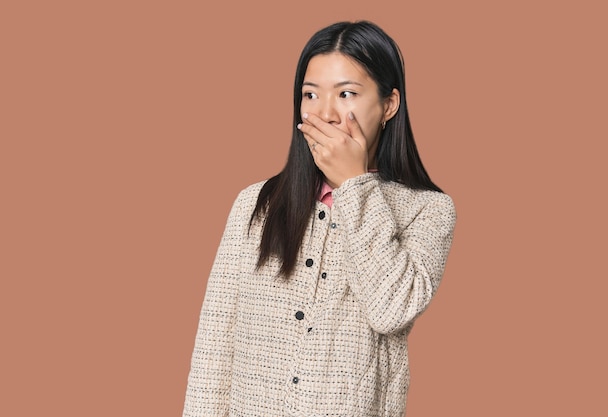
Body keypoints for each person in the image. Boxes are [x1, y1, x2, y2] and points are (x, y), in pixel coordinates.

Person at [183, 20, 456, 417]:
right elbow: (214, 347)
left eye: (346, 93)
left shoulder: (428, 211)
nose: (324, 113)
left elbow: (390, 311)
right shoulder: (255, 204)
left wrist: (354, 184)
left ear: (388, 105)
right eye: (310, 95)